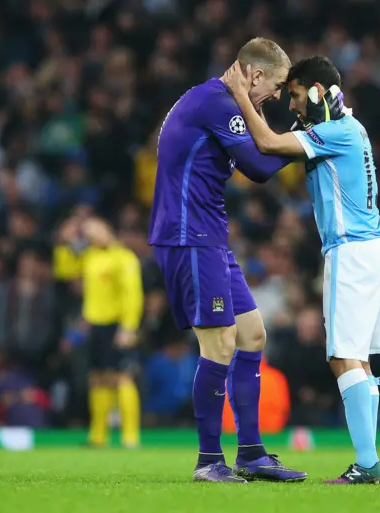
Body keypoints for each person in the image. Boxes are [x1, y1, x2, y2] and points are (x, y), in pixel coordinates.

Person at [223, 55, 380, 485]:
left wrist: (242, 96)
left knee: (342, 356)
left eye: (297, 95)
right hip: (378, 249)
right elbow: (276, 146)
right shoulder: (351, 128)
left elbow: (266, 144)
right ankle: (368, 460)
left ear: (317, 92)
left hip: (352, 251)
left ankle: (367, 464)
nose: (293, 105)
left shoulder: (335, 132)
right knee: (361, 360)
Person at [149, 37, 308, 483]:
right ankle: (207, 461)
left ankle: (252, 453)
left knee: (252, 335)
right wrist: (310, 142)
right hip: (188, 236)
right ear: (253, 74)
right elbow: (259, 168)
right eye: (274, 85)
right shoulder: (217, 103)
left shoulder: (217, 101)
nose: (276, 96)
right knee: (218, 344)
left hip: (208, 236)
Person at [60, 217, 144, 448]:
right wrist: (66, 243)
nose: (91, 235)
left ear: (108, 229)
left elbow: (132, 295)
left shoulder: (123, 258)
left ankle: (130, 437)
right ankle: (98, 436)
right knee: (97, 378)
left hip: (117, 324)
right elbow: (65, 270)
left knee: (122, 377)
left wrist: (128, 326)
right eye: (87, 232)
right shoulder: (90, 256)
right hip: (94, 325)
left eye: (95, 229)